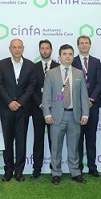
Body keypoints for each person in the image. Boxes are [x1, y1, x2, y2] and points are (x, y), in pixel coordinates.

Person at [42, 44, 89, 185]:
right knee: (56, 147)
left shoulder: (79, 73)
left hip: (74, 116)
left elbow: (83, 95)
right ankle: (56, 173)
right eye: (64, 54)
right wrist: (47, 114)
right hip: (56, 116)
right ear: (59, 56)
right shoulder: (51, 73)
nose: (67, 56)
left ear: (73, 56)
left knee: (74, 147)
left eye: (70, 54)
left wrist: (85, 114)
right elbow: (46, 95)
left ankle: (75, 172)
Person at [0, 38, 37, 182]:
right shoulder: (1, 64)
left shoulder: (30, 65)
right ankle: (8, 171)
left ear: (23, 48)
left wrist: (19, 102)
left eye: (19, 47)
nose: (17, 49)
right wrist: (9, 101)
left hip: (23, 109)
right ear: (10, 49)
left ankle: (19, 171)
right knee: (7, 142)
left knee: (21, 141)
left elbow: (31, 86)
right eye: (14, 47)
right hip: (6, 109)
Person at [73, 35, 101, 177]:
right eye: (81, 43)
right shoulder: (72, 61)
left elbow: (100, 82)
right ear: (78, 46)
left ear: (90, 45)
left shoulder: (96, 62)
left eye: (86, 43)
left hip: (93, 105)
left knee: (91, 138)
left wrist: (91, 98)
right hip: (77, 107)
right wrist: (81, 100)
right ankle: (78, 167)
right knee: (78, 139)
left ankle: (92, 167)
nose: (84, 45)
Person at [30, 39, 59, 178]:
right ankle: (37, 168)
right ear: (39, 50)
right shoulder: (33, 67)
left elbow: (61, 89)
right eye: (42, 48)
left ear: (51, 50)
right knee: (38, 139)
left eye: (47, 48)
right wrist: (41, 104)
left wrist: (52, 105)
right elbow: (31, 88)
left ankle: (55, 168)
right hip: (38, 109)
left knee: (54, 140)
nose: (45, 50)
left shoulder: (58, 67)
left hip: (55, 109)